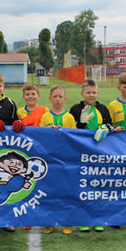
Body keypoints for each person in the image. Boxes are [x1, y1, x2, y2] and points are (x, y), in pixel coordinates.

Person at [69, 78, 112, 233]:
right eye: (88, 92)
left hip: (99, 153)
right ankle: (83, 219)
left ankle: (98, 219)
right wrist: (81, 123)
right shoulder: (75, 109)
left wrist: (106, 128)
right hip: (81, 153)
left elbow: (110, 124)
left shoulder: (103, 108)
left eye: (94, 92)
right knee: (82, 186)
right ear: (82, 93)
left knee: (98, 186)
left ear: (98, 93)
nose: (91, 95)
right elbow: (70, 130)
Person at [40, 84, 76, 235]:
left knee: (66, 192)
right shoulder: (45, 117)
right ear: (50, 99)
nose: (57, 99)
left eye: (60, 96)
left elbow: (74, 138)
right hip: (50, 160)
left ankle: (68, 223)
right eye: (54, 96)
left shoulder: (69, 117)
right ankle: (49, 222)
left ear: (65, 99)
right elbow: (40, 136)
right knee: (49, 192)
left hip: (65, 160)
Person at [15, 83, 49, 230]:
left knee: (42, 186)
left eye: (33, 94)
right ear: (24, 96)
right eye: (27, 94)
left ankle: (43, 216)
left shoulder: (44, 110)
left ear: (38, 95)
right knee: (26, 186)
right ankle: (27, 217)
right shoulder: (19, 112)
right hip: (25, 151)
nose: (30, 96)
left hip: (41, 151)